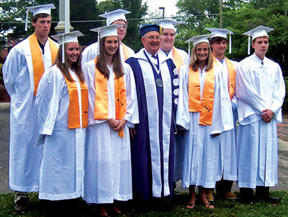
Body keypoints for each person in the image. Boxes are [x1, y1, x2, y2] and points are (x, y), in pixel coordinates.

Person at [2, 4, 57, 213]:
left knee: (46, 150)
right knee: (24, 149)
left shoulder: (56, 49)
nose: (45, 26)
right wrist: (21, 99)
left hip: (48, 110)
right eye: (41, 22)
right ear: (33, 23)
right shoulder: (20, 50)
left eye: (48, 22)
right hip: (26, 110)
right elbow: (9, 80)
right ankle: (21, 194)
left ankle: (45, 192)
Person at [82, 25, 138, 217]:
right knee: (101, 163)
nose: (112, 45)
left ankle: (114, 199)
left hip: (119, 126)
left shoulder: (125, 68)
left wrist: (125, 119)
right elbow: (89, 95)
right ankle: (100, 203)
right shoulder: (90, 68)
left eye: (115, 42)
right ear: (102, 43)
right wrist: (107, 118)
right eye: (109, 42)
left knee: (118, 163)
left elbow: (132, 96)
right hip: (100, 125)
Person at [176, 34, 234, 209]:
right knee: (192, 157)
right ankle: (192, 195)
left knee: (208, 159)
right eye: (199, 49)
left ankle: (204, 194)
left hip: (211, 122)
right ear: (194, 52)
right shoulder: (185, 71)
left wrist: (220, 124)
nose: (202, 52)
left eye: (204, 49)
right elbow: (183, 98)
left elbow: (223, 99)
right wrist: (183, 122)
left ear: (209, 51)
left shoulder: (218, 71)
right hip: (192, 121)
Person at [126, 24, 179, 200]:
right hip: (144, 122)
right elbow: (129, 94)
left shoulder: (168, 63)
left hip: (164, 122)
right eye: (151, 37)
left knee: (165, 153)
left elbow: (176, 93)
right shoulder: (133, 63)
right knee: (142, 156)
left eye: (157, 37)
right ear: (143, 40)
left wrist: (175, 119)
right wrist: (131, 121)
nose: (155, 41)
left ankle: (165, 192)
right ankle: (144, 195)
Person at [35, 31, 87, 203]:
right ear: (63, 51)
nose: (75, 53)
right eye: (71, 49)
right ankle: (53, 200)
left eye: (77, 49)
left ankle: (72, 197)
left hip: (77, 129)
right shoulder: (54, 73)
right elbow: (43, 101)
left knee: (73, 166)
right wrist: (48, 126)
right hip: (59, 130)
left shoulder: (78, 73)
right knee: (57, 165)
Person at [236, 25, 286, 204]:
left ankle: (264, 191)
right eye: (260, 42)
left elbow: (280, 91)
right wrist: (263, 109)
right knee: (249, 154)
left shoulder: (274, 66)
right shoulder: (244, 66)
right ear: (253, 43)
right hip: (253, 117)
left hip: (268, 118)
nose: (263, 45)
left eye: (266, 41)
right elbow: (244, 91)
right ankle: (247, 192)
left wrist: (272, 110)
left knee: (268, 154)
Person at [206, 27, 238, 201]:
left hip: (230, 115)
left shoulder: (234, 65)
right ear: (211, 45)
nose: (221, 45)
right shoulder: (206, 64)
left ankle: (225, 188)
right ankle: (209, 187)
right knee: (213, 152)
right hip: (211, 115)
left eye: (224, 42)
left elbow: (240, 90)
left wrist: (234, 104)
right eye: (218, 42)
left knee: (228, 152)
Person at [157, 19, 189, 185]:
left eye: (172, 34)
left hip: (179, 111)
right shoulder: (153, 55)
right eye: (165, 34)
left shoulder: (183, 56)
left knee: (177, 149)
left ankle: (173, 182)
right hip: (160, 111)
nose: (169, 38)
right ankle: (161, 182)